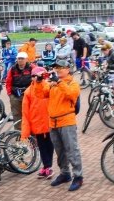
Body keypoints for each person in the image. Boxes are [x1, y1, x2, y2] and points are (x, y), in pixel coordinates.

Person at [32, 58, 83, 191]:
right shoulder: (53, 83)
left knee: (72, 150)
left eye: (61, 67)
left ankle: (78, 176)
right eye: (57, 67)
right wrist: (39, 82)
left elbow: (71, 94)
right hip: (53, 122)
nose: (58, 69)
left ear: (68, 69)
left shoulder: (72, 83)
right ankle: (65, 173)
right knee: (60, 151)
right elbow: (41, 94)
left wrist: (59, 81)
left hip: (67, 121)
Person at [22, 65, 55, 179]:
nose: (35, 78)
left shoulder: (48, 86)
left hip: (49, 122)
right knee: (41, 145)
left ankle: (48, 166)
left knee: (49, 144)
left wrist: (43, 81)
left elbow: (45, 91)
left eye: (37, 76)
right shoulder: (28, 92)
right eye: (33, 76)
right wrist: (27, 128)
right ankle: (47, 166)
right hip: (36, 123)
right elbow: (25, 111)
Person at [5, 51, 34, 128]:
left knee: (30, 113)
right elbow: (8, 82)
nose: (20, 60)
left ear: (26, 59)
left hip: (29, 95)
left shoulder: (32, 68)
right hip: (15, 95)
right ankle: (18, 132)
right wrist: (10, 94)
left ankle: (31, 131)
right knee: (16, 114)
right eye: (19, 58)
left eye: (22, 58)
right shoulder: (12, 69)